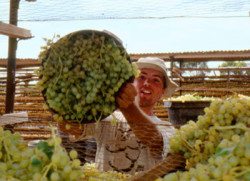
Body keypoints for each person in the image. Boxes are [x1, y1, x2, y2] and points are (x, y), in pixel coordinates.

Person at [58, 57, 178, 174]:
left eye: (155, 80)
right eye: (142, 77)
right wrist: (64, 98)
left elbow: (153, 140)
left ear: (162, 91)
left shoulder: (167, 128)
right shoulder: (108, 118)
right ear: (132, 83)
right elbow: (69, 127)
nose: (147, 83)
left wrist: (127, 105)